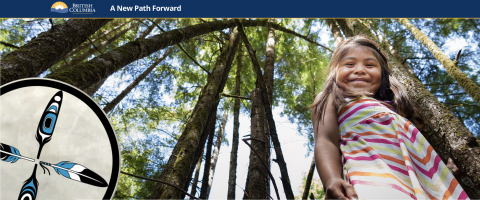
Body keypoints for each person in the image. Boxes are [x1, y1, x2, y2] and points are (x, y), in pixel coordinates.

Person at [310, 35, 468, 200]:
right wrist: (332, 179)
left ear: (382, 74)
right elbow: (325, 140)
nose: (359, 69)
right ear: (335, 71)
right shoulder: (332, 98)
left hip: (426, 185)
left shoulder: (394, 107)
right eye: (349, 64)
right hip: (373, 176)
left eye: (369, 65)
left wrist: (448, 172)